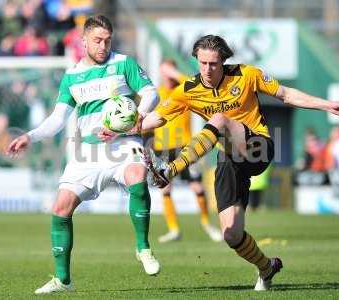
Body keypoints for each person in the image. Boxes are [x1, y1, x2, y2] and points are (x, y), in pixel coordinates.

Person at [140, 35, 339, 291]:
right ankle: (267, 268)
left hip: (257, 146)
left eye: (213, 63)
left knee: (220, 119)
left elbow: (286, 94)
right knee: (231, 235)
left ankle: (170, 170)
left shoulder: (247, 74)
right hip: (230, 159)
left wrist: (326, 105)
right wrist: (119, 130)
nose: (207, 69)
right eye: (202, 63)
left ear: (223, 61)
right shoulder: (187, 91)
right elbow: (154, 119)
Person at [7, 15, 160, 294]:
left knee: (137, 175)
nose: (103, 46)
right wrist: (30, 136)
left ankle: (143, 248)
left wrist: (135, 118)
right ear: (84, 41)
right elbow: (57, 118)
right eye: (97, 40)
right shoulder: (72, 76)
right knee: (60, 208)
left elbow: (151, 94)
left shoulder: (123, 63)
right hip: (87, 151)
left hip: (123, 142)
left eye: (107, 40)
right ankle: (63, 280)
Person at [153, 59, 222, 243]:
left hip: (186, 146)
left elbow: (194, 83)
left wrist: (173, 72)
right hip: (162, 148)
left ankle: (207, 225)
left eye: (168, 71)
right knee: (165, 189)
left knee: (197, 186)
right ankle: (174, 229)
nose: (165, 75)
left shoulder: (184, 89)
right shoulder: (157, 92)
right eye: (163, 72)